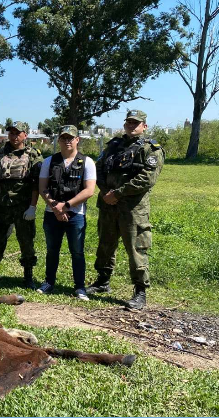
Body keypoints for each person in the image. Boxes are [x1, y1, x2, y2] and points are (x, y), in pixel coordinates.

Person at [89, 110, 164, 310]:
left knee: (136, 248)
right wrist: (105, 192)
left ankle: (140, 291)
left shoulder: (151, 149)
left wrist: (118, 193)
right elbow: (98, 168)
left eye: (135, 123)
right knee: (105, 244)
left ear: (144, 126)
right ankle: (103, 281)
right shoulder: (113, 145)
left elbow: (147, 179)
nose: (131, 125)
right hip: (108, 204)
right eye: (128, 122)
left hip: (133, 209)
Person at [36, 125, 96, 300]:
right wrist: (56, 207)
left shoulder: (87, 162)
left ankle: (80, 287)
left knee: (77, 252)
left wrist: (67, 206)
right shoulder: (49, 161)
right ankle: (49, 282)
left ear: (77, 140)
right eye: (63, 138)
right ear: (59, 140)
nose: (67, 141)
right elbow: (42, 188)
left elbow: (89, 190)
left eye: (71, 138)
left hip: (76, 215)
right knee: (52, 250)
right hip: (52, 213)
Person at [0, 122, 43, 289]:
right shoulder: (0, 154)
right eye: (11, 133)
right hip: (1, 205)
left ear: (25, 135)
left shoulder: (33, 155)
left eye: (18, 133)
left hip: (23, 206)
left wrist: (33, 206)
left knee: (26, 240)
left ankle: (28, 276)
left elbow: (36, 184)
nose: (14, 136)